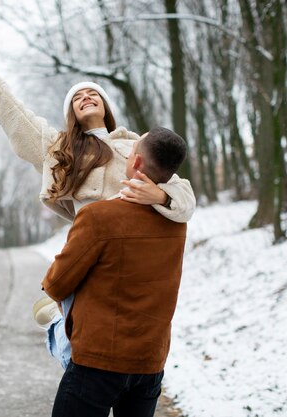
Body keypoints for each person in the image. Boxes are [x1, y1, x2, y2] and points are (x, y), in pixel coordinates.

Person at [0, 37, 195, 367]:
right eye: (77, 97)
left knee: (133, 351)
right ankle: (62, 326)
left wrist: (162, 195)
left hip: (132, 263)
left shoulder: (134, 147)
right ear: (71, 113)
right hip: (88, 262)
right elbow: (18, 119)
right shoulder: (60, 151)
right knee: (81, 357)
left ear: (106, 106)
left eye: (93, 93)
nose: (86, 97)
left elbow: (185, 195)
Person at [41, 127, 188, 417]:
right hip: (150, 362)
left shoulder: (99, 216)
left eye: (132, 151)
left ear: (134, 164)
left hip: (98, 363)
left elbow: (57, 284)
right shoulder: (177, 222)